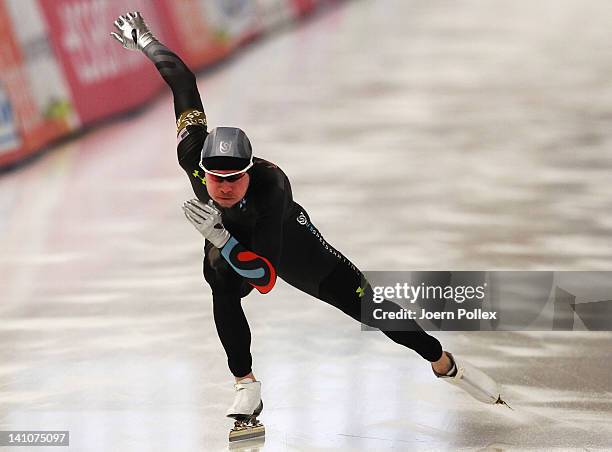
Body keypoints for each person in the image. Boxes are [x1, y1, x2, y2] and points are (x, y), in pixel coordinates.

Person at [111, 11, 504, 429]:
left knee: (371, 308)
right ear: (201, 169)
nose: (224, 187)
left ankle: (443, 362)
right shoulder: (192, 151)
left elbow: (265, 279)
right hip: (227, 241)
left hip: (287, 245)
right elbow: (183, 81)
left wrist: (221, 238)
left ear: (249, 172)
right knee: (218, 277)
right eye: (215, 178)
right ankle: (246, 385)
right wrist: (147, 39)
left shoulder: (271, 187)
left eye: (234, 179)